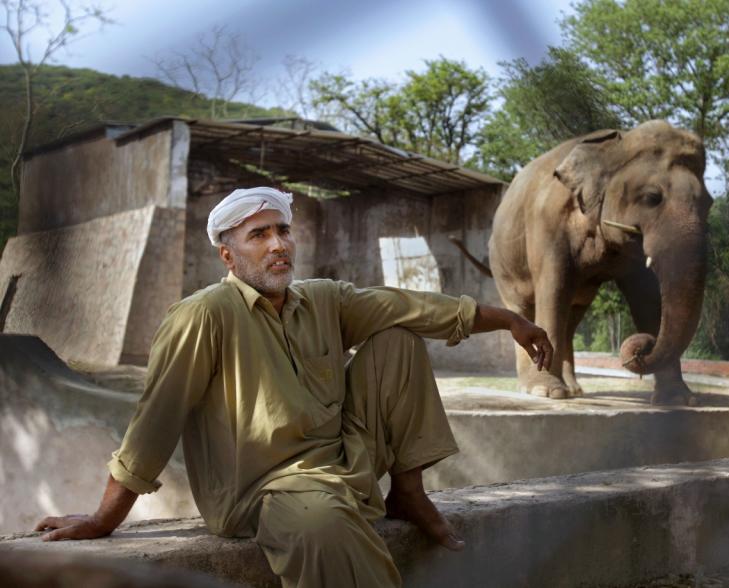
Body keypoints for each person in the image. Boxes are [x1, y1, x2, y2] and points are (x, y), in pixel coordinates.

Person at [34, 187, 553, 587]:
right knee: (321, 523)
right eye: (258, 235)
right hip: (263, 491)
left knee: (398, 337)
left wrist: (509, 319)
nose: (278, 244)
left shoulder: (322, 299)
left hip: (340, 463)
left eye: (282, 230)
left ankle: (408, 496)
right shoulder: (203, 316)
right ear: (227, 256)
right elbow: (155, 421)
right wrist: (105, 518)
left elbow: (409, 305)